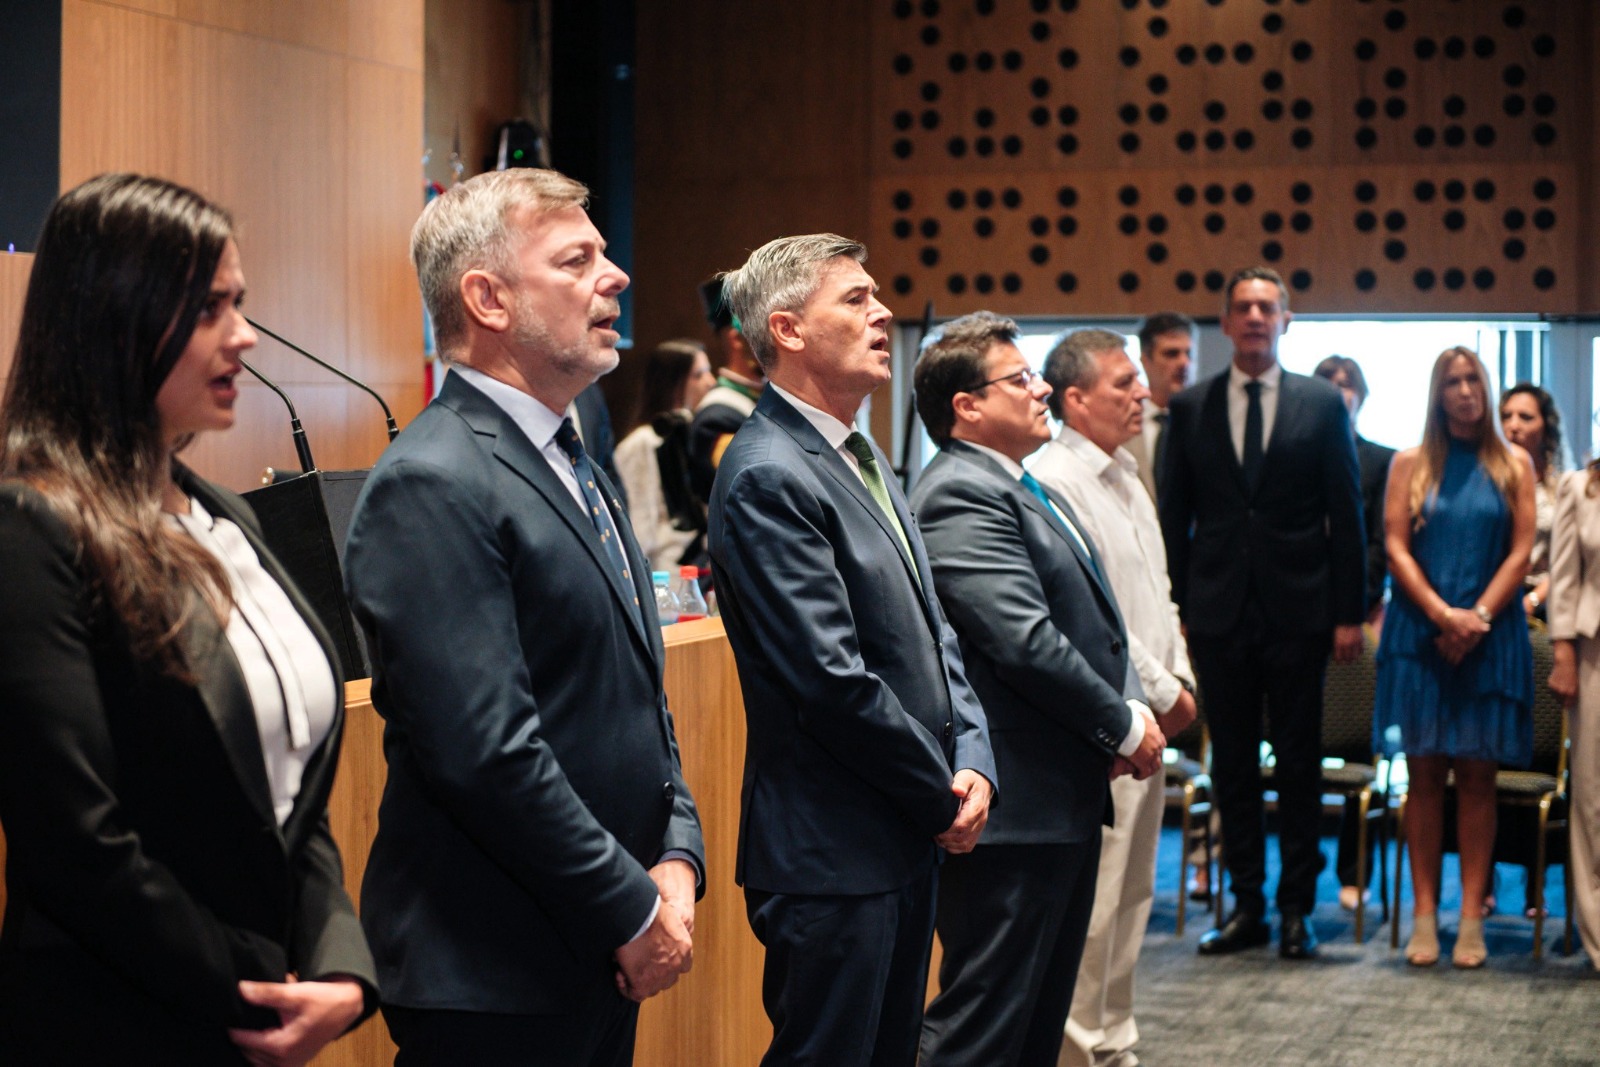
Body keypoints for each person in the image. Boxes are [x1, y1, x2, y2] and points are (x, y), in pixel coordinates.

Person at [0, 173, 376, 1064]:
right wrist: (253, 986)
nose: (243, 336)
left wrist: (343, 965)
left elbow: (287, 798)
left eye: (238, 302)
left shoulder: (225, 516)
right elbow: (75, 841)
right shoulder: (32, 529)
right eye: (208, 308)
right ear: (113, 319)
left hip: (258, 1009)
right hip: (115, 1024)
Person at [344, 168, 705, 1065]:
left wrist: (676, 851)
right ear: (488, 298)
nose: (615, 276)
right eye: (578, 259)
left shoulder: (570, 451)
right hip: (493, 972)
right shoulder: (435, 478)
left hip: (591, 944)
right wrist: (630, 904)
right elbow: (488, 753)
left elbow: (634, 688)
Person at [708, 234, 995, 1067]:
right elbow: (831, 680)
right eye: (857, 299)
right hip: (831, 851)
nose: (884, 314)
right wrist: (939, 797)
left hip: (900, 830)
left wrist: (973, 755)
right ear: (788, 330)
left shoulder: (861, 454)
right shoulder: (768, 470)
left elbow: (935, 633)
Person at [909, 316, 1162, 1067]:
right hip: (1016, 807)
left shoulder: (1015, 483)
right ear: (967, 407)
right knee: (984, 1024)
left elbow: (1094, 618)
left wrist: (1118, 716)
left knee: (1033, 1022)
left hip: (1058, 794)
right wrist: (1118, 724)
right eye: (1018, 379)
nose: (1041, 386)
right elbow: (1023, 638)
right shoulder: (959, 491)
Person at [1159, 266, 1365, 961]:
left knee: (1301, 763)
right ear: (1225, 322)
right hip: (1217, 613)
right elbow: (1173, 517)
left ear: (1286, 320)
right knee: (1234, 767)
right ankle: (1246, 903)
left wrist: (1349, 611)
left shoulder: (1320, 403)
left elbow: (1347, 513)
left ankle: (1297, 909)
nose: (1253, 316)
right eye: (1242, 307)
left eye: (1266, 307)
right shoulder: (1190, 408)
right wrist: (1178, 606)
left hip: (1302, 612)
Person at [1032, 329, 1195, 1067]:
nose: (1143, 394)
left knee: (1135, 891)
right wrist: (1162, 694)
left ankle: (1113, 1035)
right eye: (1125, 383)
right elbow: (1098, 615)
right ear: (1075, 398)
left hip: (1153, 710)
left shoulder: (1127, 471)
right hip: (1108, 715)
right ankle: (1075, 1046)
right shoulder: (1056, 477)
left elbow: (1157, 595)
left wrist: (1181, 679)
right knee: (1094, 900)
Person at [1375, 346, 1535, 968]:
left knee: (1477, 778)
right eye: (1452, 381)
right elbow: (1394, 543)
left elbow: (1521, 552)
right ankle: (1424, 915)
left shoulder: (1512, 462)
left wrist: (1478, 618)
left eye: (1473, 380)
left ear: (1486, 389)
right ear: (1437, 393)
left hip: (1492, 636)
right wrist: (1444, 615)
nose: (1465, 391)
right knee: (1423, 780)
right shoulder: (1409, 462)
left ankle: (1470, 917)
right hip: (1420, 634)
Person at [1312, 354, 1395, 913]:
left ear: (1361, 395)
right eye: (1329, 386)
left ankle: (1354, 865)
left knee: (1357, 745)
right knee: (1301, 747)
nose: (1340, 393)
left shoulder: (1384, 461)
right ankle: (1303, 863)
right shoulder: (1292, 458)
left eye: (1348, 386)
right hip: (1296, 620)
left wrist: (1357, 613)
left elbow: (1379, 545)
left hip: (1363, 619)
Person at [1547, 456, 1600, 969]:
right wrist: (1562, 652)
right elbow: (1562, 578)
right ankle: (1598, 935)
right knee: (1591, 797)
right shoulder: (1580, 486)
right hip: (1592, 655)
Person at [613, 339, 715, 570]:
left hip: (704, 560)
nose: (710, 382)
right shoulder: (641, 442)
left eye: (708, 372)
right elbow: (639, 522)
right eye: (698, 375)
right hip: (667, 571)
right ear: (674, 382)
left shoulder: (698, 430)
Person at [688, 276, 765, 502]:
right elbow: (754, 489)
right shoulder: (717, 417)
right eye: (763, 333)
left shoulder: (761, 397)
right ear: (737, 339)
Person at [1500, 383, 1565, 620]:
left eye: (1525, 417)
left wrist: (1534, 600)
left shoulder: (1562, 488)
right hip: (1495, 598)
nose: (1513, 425)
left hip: (1549, 604)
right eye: (1506, 416)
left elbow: (1570, 561)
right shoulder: (1487, 486)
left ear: (1546, 429)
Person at [1126, 312, 1196, 502]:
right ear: (1145, 361)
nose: (1184, 363)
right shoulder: (1122, 425)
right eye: (1171, 354)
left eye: (1188, 353)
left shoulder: (1208, 421)